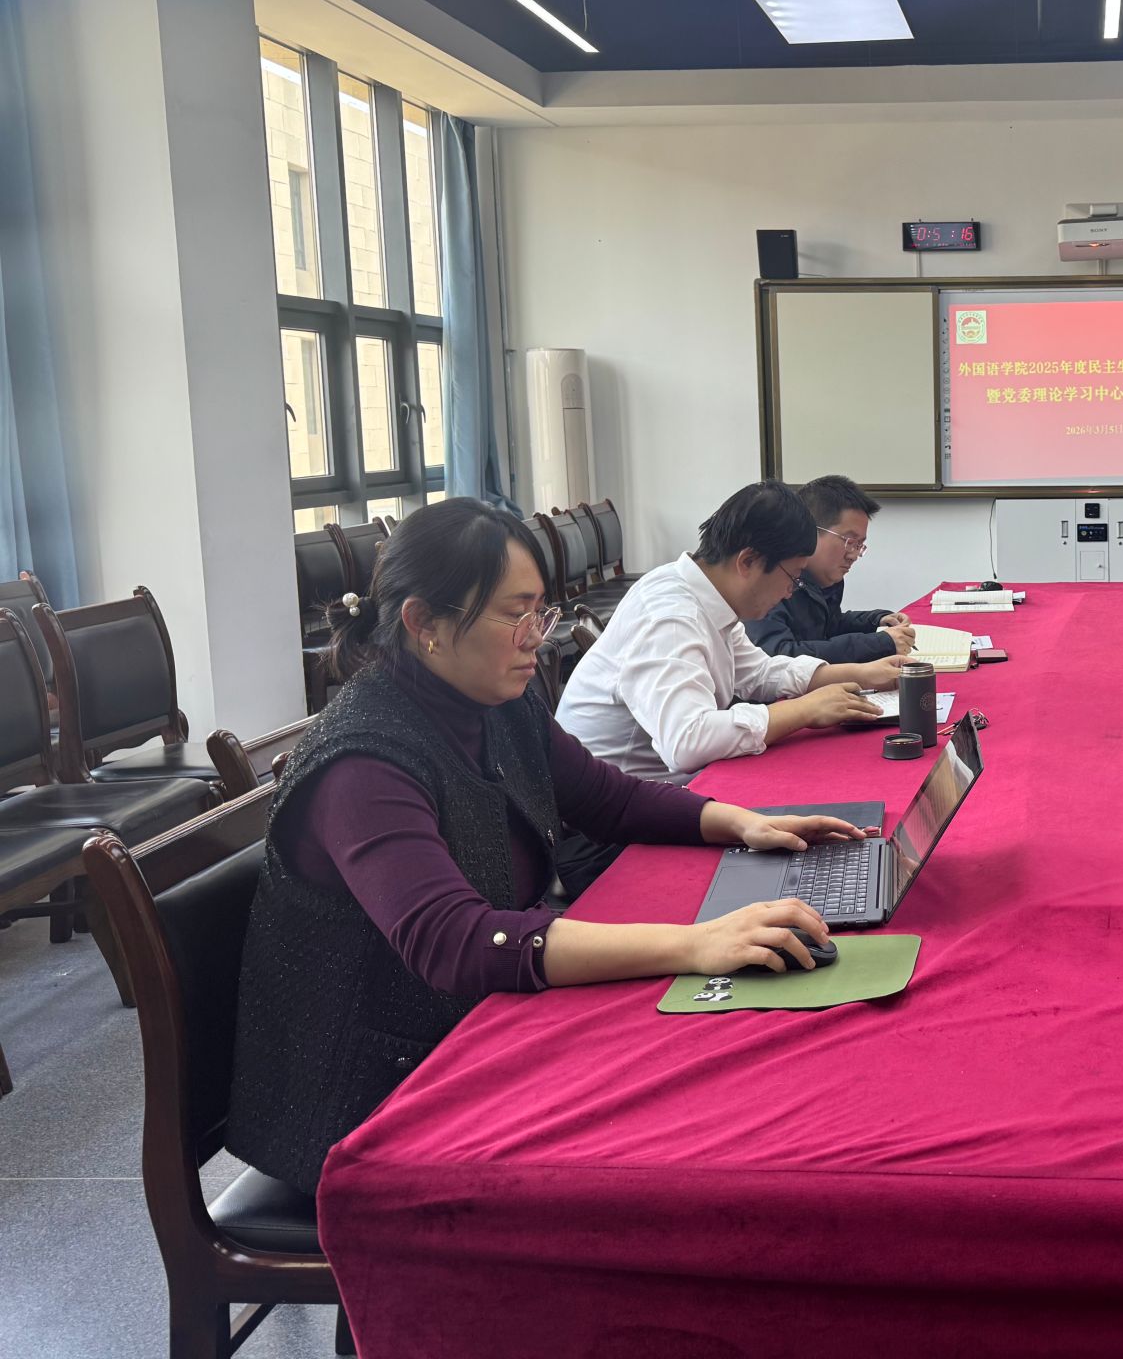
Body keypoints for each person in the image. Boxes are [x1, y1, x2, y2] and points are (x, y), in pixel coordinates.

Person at [227, 499, 858, 1196]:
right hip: (372, 1094)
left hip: (471, 1024)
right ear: (424, 623)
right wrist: (696, 944)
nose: (537, 638)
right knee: (676, 1129)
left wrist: (738, 822)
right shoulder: (363, 761)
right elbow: (454, 942)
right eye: (514, 615)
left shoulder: (494, 699)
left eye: (540, 612)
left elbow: (606, 797)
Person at [557, 481, 906, 779]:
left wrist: (861, 674)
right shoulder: (670, 617)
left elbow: (759, 672)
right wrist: (804, 710)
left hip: (657, 791)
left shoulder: (706, 596)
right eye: (792, 577)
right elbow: (688, 741)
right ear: (748, 561)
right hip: (614, 818)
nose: (791, 591)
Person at [745, 475, 913, 662]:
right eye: (850, 541)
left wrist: (876, 620)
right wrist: (878, 643)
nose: (854, 555)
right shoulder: (773, 579)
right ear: (809, 531)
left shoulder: (823, 579)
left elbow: (829, 627)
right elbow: (779, 656)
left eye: (859, 545)